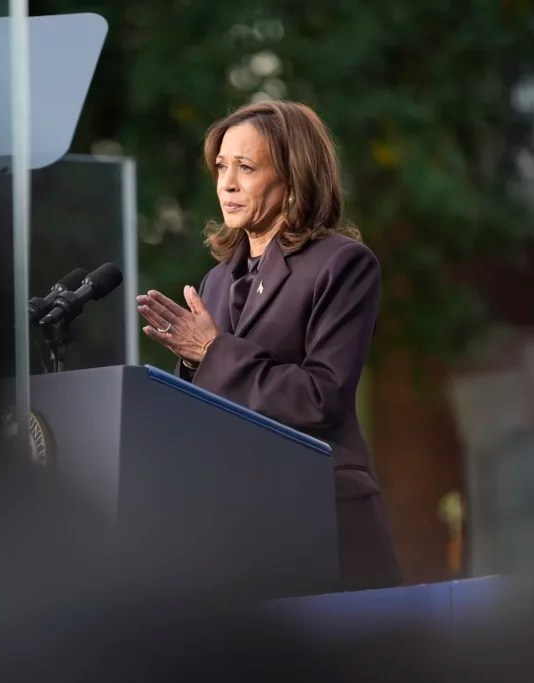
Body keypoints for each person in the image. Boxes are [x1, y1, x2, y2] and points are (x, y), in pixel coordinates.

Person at [136, 100, 400, 590]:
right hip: (238, 529)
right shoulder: (216, 281)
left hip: (321, 518)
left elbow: (319, 397)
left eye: (246, 167)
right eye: (221, 167)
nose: (227, 184)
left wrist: (212, 353)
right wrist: (188, 370)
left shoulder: (341, 264)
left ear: (294, 178)